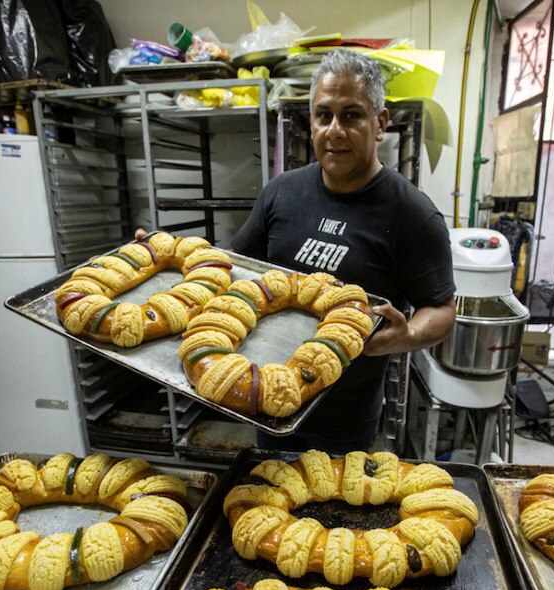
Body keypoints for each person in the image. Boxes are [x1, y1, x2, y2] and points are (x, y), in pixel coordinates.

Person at [141, 49, 456, 452]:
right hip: (266, 395)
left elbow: (443, 309)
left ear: (380, 123)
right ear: (311, 123)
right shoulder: (281, 193)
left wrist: (406, 335)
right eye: (324, 115)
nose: (335, 130)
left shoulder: (413, 213)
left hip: (347, 419)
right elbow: (230, 268)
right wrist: (160, 262)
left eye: (352, 115)